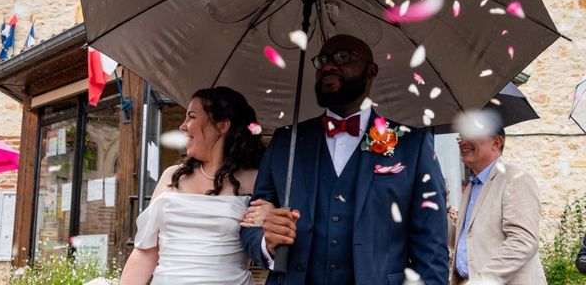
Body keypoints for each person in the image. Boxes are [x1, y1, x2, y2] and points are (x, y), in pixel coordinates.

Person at [241, 34, 449, 285]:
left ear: (371, 71)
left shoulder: (412, 146)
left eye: (342, 57)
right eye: (323, 60)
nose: (329, 65)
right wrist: (267, 243)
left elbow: (431, 250)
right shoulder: (286, 142)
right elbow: (251, 224)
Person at [120, 86, 272, 285]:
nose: (183, 126)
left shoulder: (256, 181)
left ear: (221, 126)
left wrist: (270, 216)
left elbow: (266, 244)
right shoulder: (171, 176)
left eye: (191, 116)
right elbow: (145, 253)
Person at [450, 126, 547, 284]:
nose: (463, 142)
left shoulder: (515, 179)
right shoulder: (471, 187)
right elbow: (469, 240)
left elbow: (523, 241)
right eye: (460, 137)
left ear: (496, 143)